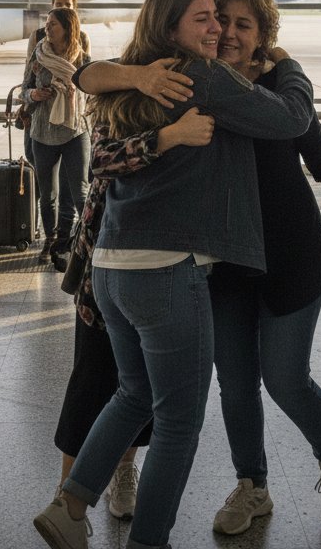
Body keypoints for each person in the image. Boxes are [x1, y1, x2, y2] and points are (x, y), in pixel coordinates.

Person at [32, 0, 314, 549]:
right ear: (170, 27)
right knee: (179, 422)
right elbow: (291, 120)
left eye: (219, 18)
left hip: (109, 270)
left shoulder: (132, 81)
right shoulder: (203, 77)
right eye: (203, 19)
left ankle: (70, 505)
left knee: (133, 396)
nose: (215, 29)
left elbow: (86, 77)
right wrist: (290, 66)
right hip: (167, 272)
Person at [207, 0, 321, 535]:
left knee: (285, 378)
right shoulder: (201, 84)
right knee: (235, 384)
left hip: (291, 253)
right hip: (225, 261)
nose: (232, 33)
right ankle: (252, 486)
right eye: (225, 22)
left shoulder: (285, 91)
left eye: (245, 25)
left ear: (263, 36)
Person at [53, 108, 215, 521]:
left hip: (158, 261)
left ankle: (122, 471)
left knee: (140, 386)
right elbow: (101, 159)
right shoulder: (126, 90)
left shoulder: (195, 89)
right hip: (105, 257)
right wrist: (168, 136)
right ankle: (67, 498)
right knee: (94, 379)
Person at [23, 0, 91, 262]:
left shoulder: (82, 56)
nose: (46, 28)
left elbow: (91, 89)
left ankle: (81, 239)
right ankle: (51, 239)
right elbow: (24, 89)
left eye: (52, 24)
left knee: (79, 191)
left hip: (75, 129)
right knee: (47, 193)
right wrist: (33, 95)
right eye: (47, 23)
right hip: (43, 131)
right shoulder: (38, 54)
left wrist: (72, 90)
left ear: (66, 27)